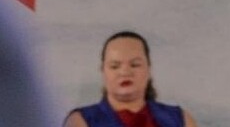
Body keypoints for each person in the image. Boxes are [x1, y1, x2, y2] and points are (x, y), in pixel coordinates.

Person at [63, 31, 199, 127]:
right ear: (103, 71)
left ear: (149, 68)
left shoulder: (180, 119)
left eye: (135, 65)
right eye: (115, 66)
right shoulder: (80, 121)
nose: (125, 72)